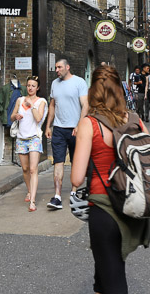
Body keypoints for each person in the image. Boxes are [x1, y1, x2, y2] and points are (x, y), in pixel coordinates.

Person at [71, 65, 150, 294]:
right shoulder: (135, 120)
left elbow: (76, 178)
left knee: (114, 278)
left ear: (93, 90)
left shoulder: (90, 124)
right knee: (105, 270)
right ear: (119, 89)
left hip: (104, 206)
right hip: (133, 204)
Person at [45, 58, 89, 210]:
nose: (56, 70)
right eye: (56, 67)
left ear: (67, 67)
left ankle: (74, 193)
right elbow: (52, 105)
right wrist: (48, 125)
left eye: (59, 67)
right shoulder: (54, 84)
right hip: (58, 129)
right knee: (58, 161)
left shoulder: (79, 82)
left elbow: (85, 105)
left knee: (76, 162)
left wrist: (79, 125)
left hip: (75, 130)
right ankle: (57, 196)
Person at [11, 76, 47, 211]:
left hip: (34, 138)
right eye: (28, 85)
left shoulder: (41, 101)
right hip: (21, 138)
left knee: (33, 169)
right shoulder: (20, 100)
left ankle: (32, 201)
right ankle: (29, 190)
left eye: (33, 86)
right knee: (25, 169)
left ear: (37, 88)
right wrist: (16, 116)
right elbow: (12, 116)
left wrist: (32, 106)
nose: (30, 88)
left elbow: (38, 118)